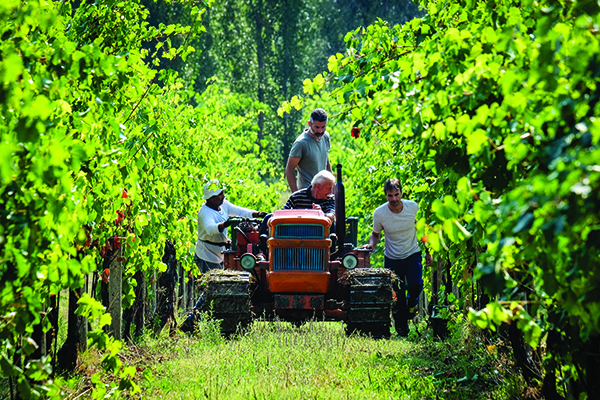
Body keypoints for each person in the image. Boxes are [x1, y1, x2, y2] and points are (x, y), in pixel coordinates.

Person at [365, 178, 433, 337]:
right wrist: (371, 245)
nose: (394, 199)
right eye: (390, 196)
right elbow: (375, 234)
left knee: (416, 284)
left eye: (396, 194)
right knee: (396, 296)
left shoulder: (413, 208)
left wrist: (429, 251)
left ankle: (412, 303)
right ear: (385, 195)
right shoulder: (380, 213)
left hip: (412, 254)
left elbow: (422, 232)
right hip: (392, 258)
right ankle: (402, 330)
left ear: (402, 192)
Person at [194, 179, 265, 272]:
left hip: (220, 251)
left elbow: (240, 211)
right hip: (208, 254)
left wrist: (258, 214)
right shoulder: (205, 212)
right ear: (211, 198)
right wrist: (225, 224)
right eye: (220, 194)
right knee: (212, 283)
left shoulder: (223, 204)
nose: (223, 196)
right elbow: (210, 229)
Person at [258, 170, 335, 245]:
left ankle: (331, 253)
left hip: (319, 236)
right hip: (294, 233)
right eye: (328, 188)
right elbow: (282, 212)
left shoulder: (330, 199)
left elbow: (331, 215)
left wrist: (320, 215)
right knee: (268, 217)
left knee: (332, 225)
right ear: (318, 186)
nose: (331, 192)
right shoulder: (297, 197)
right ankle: (263, 250)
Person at [285, 108, 332, 193]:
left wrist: (332, 186)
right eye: (317, 127)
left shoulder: (325, 137)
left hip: (324, 193)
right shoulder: (301, 143)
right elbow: (289, 169)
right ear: (310, 124)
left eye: (323, 127)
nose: (320, 131)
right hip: (307, 194)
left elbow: (326, 160)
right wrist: (296, 195)